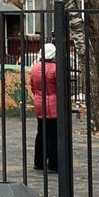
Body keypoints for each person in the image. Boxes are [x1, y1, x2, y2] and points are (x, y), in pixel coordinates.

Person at [28, 43, 59, 172]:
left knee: (41, 132)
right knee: (53, 134)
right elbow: (59, 87)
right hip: (53, 103)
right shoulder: (55, 69)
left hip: (39, 103)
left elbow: (32, 85)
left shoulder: (35, 67)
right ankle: (53, 164)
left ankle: (39, 162)